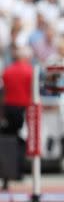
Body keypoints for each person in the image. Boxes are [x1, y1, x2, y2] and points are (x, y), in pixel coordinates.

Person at [1, 46, 33, 189]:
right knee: (21, 141)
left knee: (9, 140)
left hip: (9, 108)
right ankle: (19, 171)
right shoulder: (29, 71)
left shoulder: (7, 71)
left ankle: (9, 172)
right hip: (23, 108)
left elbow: (3, 93)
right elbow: (32, 92)